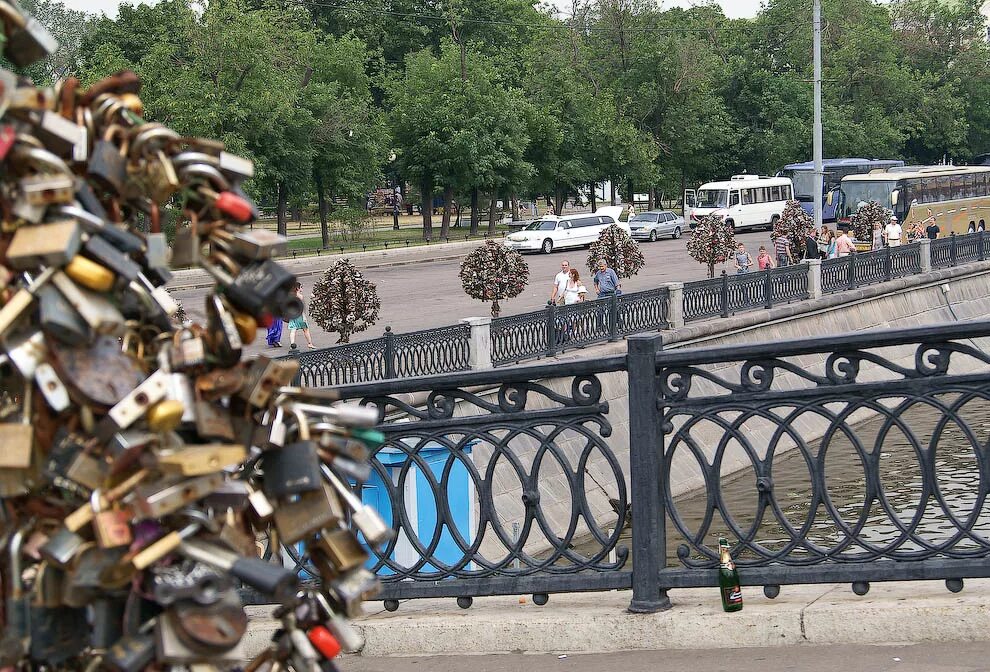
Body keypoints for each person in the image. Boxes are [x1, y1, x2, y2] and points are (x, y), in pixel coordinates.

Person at [287, 283, 315, 350]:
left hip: (292, 315)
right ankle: (310, 344)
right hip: (299, 315)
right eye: (301, 287)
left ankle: (292, 344)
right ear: (298, 288)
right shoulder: (300, 296)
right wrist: (304, 317)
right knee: (305, 330)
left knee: (293, 330)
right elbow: (301, 307)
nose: (302, 288)